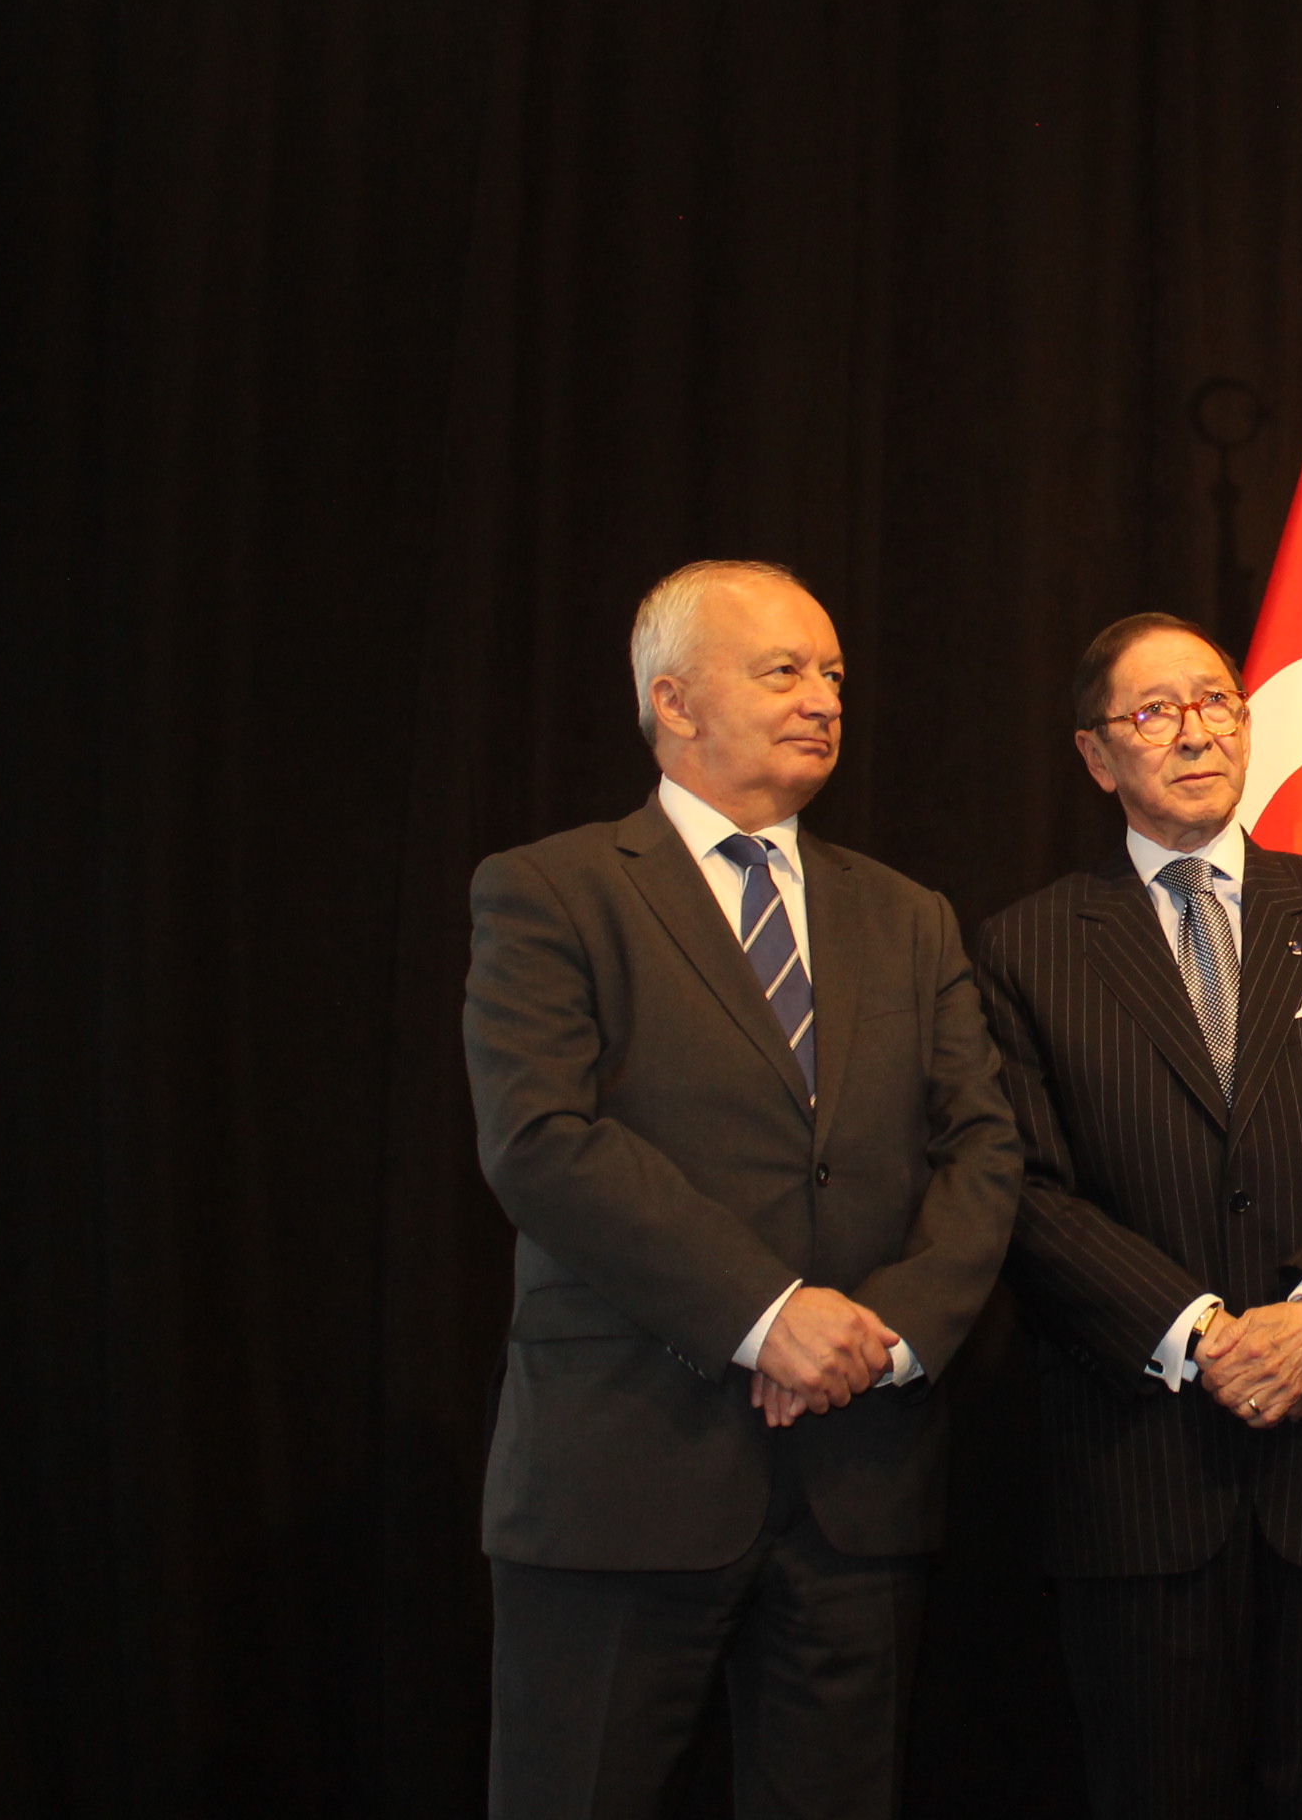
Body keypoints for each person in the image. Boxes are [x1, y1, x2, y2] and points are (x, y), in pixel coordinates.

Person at [464, 559, 1023, 1820]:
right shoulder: (551, 890)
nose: (824, 698)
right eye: (783, 671)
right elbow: (542, 1142)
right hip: (624, 1471)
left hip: (857, 1482)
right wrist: (770, 1315)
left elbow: (982, 1150)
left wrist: (881, 1334)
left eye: (832, 674)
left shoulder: (908, 915)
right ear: (673, 702)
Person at [972, 613, 1302, 1820]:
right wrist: (1196, 1330)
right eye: (1155, 712)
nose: (1196, 729)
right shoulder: (1025, 945)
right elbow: (1024, 1189)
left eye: (1216, 701)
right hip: (1136, 1470)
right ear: (1097, 756)